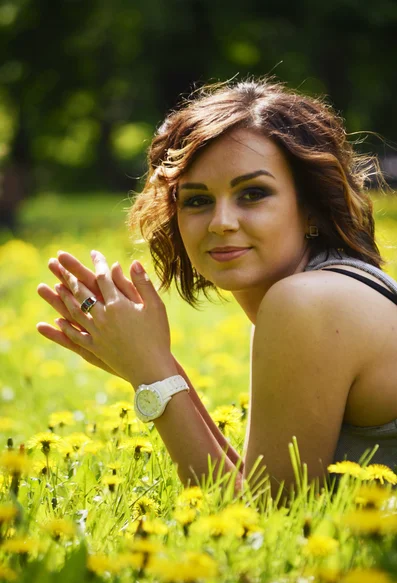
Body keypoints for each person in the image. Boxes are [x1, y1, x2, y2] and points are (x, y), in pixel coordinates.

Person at [37, 78, 397, 502]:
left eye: (253, 193)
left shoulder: (308, 302)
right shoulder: (330, 289)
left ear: (311, 207)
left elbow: (265, 521)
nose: (220, 221)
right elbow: (256, 490)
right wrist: (152, 360)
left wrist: (152, 375)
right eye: (196, 200)